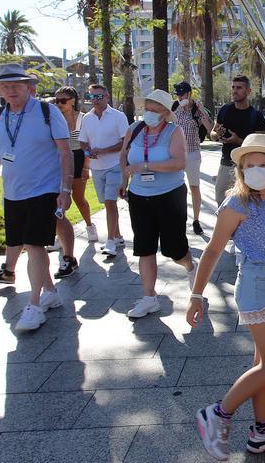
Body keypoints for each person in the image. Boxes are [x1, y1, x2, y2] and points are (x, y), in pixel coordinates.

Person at [189, 134, 265, 460]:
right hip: (257, 285)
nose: (256, 169)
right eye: (249, 165)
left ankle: (263, 429)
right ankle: (218, 413)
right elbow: (214, 250)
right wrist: (196, 295)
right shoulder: (237, 203)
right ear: (241, 170)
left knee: (262, 363)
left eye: (263, 163)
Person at [0, 64, 73, 332]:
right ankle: (50, 291)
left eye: (17, 85)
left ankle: (34, 305)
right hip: (13, 193)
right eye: (5, 86)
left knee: (34, 245)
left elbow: (65, 152)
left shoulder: (47, 112)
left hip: (45, 189)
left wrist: (65, 190)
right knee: (28, 244)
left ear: (30, 87)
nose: (11, 90)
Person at [120, 90, 196, 318]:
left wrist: (144, 166)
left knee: (174, 248)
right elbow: (124, 157)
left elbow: (179, 163)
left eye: (154, 109)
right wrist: (124, 181)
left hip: (169, 195)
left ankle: (192, 269)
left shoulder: (174, 131)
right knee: (145, 247)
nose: (149, 113)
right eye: (147, 108)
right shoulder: (134, 130)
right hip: (139, 195)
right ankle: (149, 297)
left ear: (165, 113)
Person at [80, 83, 130, 257]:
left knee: (110, 202)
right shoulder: (87, 118)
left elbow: (125, 142)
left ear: (107, 97)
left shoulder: (118, 116)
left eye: (99, 96)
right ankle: (117, 236)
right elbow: (83, 141)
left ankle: (110, 242)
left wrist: (104, 150)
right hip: (97, 168)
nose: (95, 100)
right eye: (92, 97)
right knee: (107, 203)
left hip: (115, 165)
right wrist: (88, 152)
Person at [52, 87, 92, 279]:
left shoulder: (83, 118)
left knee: (78, 197)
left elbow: (87, 144)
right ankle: (59, 235)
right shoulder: (53, 117)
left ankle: (89, 224)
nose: (59, 103)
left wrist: (86, 167)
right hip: (59, 159)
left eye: (63, 100)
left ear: (73, 100)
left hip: (77, 157)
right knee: (59, 197)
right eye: (57, 100)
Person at [211, 75, 265, 209]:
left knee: (247, 204)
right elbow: (212, 133)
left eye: (239, 88)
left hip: (249, 167)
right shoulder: (225, 110)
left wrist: (239, 141)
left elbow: (261, 145)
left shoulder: (256, 116)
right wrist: (216, 134)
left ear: (248, 91)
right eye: (233, 87)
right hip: (226, 163)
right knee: (221, 200)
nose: (234, 91)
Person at [172, 81, 215, 234]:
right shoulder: (174, 107)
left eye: (182, 94)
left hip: (192, 153)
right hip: (175, 155)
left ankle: (196, 220)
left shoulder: (198, 110)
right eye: (177, 94)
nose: (179, 97)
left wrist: (202, 111)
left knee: (194, 187)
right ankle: (178, 220)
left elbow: (211, 130)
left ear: (189, 94)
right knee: (175, 188)